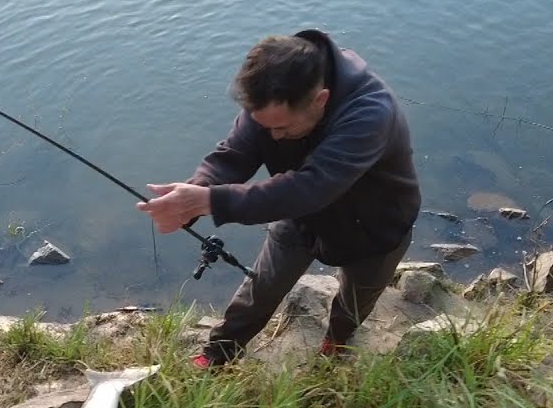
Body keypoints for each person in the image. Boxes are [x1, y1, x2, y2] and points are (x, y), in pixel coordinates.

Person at [137, 29, 421, 368]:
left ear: (321, 100)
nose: (273, 136)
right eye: (264, 126)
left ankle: (337, 341)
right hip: (301, 216)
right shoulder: (270, 95)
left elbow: (311, 187)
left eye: (282, 129)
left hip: (377, 225)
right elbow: (233, 157)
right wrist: (193, 194)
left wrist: (210, 201)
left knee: (356, 300)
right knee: (261, 288)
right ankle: (219, 353)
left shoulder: (372, 113)